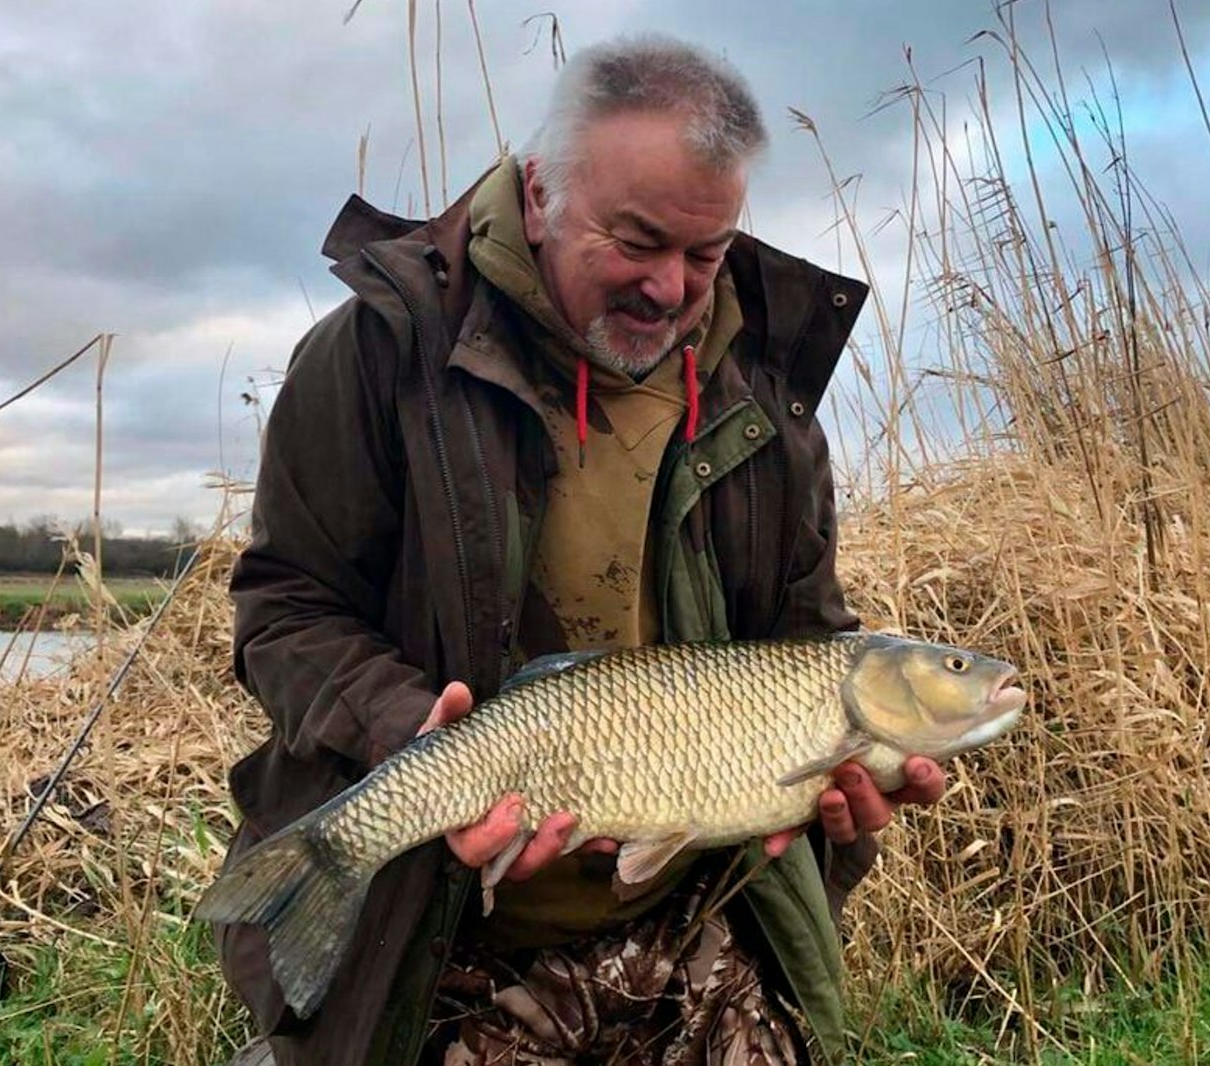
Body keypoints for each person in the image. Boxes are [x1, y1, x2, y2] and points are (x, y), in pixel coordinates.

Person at [216, 34, 946, 1066]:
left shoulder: (766, 398)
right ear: (541, 189)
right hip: (446, 925)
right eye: (637, 240)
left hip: (691, 918)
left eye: (706, 253)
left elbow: (805, 638)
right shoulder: (381, 351)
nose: (670, 287)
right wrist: (412, 733)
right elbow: (284, 607)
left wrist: (845, 790)